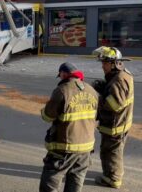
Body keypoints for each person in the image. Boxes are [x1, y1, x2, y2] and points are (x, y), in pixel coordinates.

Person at [39, 62, 98, 192]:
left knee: (51, 179)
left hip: (65, 147)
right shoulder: (91, 90)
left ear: (64, 74)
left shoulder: (62, 90)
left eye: (60, 75)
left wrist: (43, 111)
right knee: (76, 180)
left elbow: (48, 116)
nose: (60, 78)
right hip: (86, 147)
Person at [92, 46, 134, 189]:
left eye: (105, 63)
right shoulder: (123, 74)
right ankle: (114, 172)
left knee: (111, 151)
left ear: (114, 63)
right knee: (114, 150)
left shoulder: (119, 80)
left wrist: (97, 98)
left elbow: (115, 105)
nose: (103, 66)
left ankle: (112, 179)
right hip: (121, 121)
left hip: (115, 124)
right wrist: (104, 87)